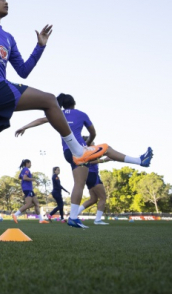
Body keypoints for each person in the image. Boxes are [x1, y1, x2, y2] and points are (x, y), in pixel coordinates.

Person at [0, 0, 107, 237]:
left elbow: (22, 71)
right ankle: (78, 151)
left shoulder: (8, 37)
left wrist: (40, 47)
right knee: (50, 100)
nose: (6, 1)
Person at [15, 93, 153, 228]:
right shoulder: (81, 114)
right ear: (74, 103)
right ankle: (140, 161)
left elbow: (40, 120)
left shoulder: (58, 112)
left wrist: (24, 127)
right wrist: (88, 142)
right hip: (80, 150)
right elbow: (93, 133)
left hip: (68, 153)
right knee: (106, 148)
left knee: (79, 184)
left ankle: (73, 218)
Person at [77, 144, 111, 225]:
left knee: (93, 199)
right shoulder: (88, 151)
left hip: (90, 175)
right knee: (103, 198)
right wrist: (105, 160)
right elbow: (90, 161)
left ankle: (75, 213)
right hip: (93, 175)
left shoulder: (84, 151)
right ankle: (98, 220)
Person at [11, 160, 49, 224]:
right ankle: (15, 215)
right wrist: (33, 179)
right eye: (30, 163)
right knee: (28, 204)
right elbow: (25, 178)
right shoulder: (26, 170)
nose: (31, 165)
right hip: (27, 189)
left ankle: (41, 220)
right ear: (27, 163)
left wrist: (27, 179)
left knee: (36, 203)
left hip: (28, 189)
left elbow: (20, 177)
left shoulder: (23, 170)